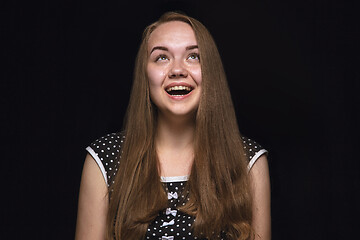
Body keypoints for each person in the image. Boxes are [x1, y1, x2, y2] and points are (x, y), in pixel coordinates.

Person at [75, 12, 271, 240]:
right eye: (161, 58)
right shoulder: (105, 158)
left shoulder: (248, 160)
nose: (178, 70)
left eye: (193, 56)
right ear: (145, 75)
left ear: (211, 71)